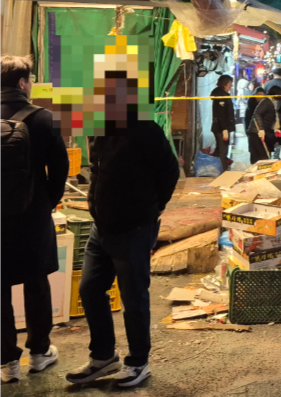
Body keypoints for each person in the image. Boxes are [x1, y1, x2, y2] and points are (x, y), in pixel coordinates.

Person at [66, 72, 179, 388]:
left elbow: (170, 171)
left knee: (134, 298)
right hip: (101, 228)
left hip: (133, 227)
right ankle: (103, 357)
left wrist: (154, 209)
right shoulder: (98, 127)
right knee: (89, 289)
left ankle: (138, 362)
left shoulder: (144, 129)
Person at [1, 56, 69, 384]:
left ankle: (6, 363)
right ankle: (39, 354)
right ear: (22, 82)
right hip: (32, 216)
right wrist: (48, 202)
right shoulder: (43, 118)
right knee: (36, 282)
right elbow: (60, 169)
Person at [247, 86, 281, 163]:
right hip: (256, 132)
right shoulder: (266, 101)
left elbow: (272, 117)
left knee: (260, 156)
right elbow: (257, 114)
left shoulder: (272, 102)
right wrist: (261, 129)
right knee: (261, 156)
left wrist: (275, 129)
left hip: (262, 132)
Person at [210, 75, 235, 173]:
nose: (231, 85)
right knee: (222, 151)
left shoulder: (222, 94)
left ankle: (217, 170)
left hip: (221, 128)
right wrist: (224, 129)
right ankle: (222, 172)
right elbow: (221, 114)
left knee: (220, 150)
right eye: (229, 83)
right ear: (224, 84)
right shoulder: (221, 95)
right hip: (220, 128)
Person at [236, 70, 250, 135]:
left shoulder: (240, 91)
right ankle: (247, 130)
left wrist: (237, 106)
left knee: (244, 120)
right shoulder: (247, 91)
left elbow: (238, 100)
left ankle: (245, 131)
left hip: (243, 108)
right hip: (247, 107)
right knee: (246, 119)